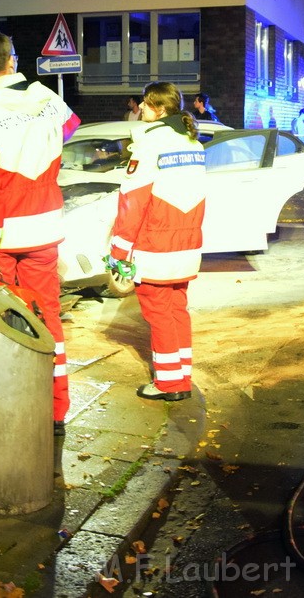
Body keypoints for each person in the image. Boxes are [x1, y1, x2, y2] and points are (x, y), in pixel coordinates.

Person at [0, 32, 80, 433]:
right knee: (49, 315)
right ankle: (55, 410)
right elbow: (71, 126)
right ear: (12, 61)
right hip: (46, 225)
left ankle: (13, 403)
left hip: (4, 235)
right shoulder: (45, 96)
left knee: (5, 318)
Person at [109, 82, 207, 401]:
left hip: (156, 244)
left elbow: (133, 201)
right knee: (177, 309)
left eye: (145, 106)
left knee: (158, 313)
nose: (140, 111)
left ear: (158, 109)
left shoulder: (151, 142)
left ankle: (168, 383)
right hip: (188, 242)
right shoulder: (192, 141)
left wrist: (119, 251)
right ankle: (181, 376)